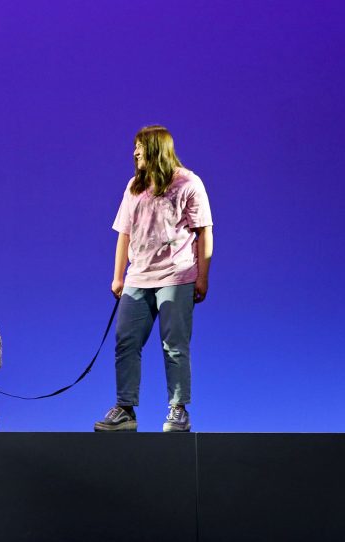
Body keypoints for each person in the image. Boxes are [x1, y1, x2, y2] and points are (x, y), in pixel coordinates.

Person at [94, 125, 213, 433]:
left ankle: (178, 409)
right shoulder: (134, 186)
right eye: (135, 147)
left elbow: (204, 232)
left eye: (140, 147)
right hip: (138, 277)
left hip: (177, 276)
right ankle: (125, 409)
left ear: (157, 149)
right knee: (126, 342)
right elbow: (124, 233)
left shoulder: (189, 183)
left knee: (174, 345)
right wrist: (118, 276)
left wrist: (202, 277)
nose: (134, 153)